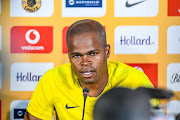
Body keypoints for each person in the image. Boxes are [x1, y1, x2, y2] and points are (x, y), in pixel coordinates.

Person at [24, 19, 157, 120]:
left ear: (107, 51)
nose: (85, 62)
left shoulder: (134, 80)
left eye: (93, 54)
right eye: (76, 55)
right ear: (69, 56)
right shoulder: (52, 79)